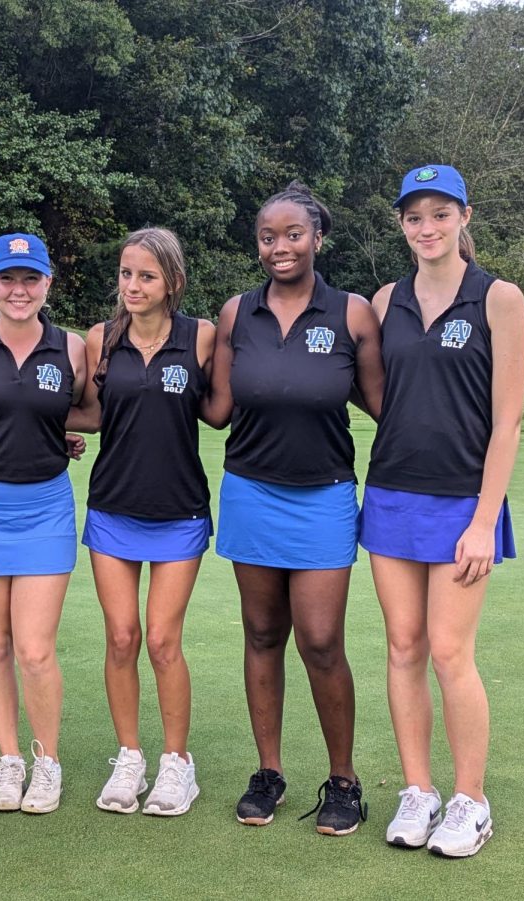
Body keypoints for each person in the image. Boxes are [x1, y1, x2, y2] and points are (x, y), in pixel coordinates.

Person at [202, 181, 385, 835]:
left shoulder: (352, 313)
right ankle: (268, 771)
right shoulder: (235, 314)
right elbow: (216, 410)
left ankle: (344, 781)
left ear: (318, 237)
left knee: (320, 639)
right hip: (251, 490)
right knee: (261, 634)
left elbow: (382, 405)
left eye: (292, 234)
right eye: (267, 236)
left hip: (325, 496)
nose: (279, 246)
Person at [360, 164, 524, 858]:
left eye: (439, 214)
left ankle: (471, 800)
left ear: (464, 215)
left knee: (452, 651)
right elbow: (372, 393)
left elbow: (509, 420)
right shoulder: (384, 299)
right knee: (403, 648)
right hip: (392, 492)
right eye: (413, 217)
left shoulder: (499, 298)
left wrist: (485, 518)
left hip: (463, 501)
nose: (426, 228)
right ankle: (419, 790)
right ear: (401, 224)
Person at [68, 228, 214, 817]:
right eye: (126, 274)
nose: (133, 286)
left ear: (172, 282)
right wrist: (51, 431)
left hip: (179, 510)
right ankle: (130, 756)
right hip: (112, 507)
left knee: (161, 640)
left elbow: (226, 407)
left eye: (146, 276)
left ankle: (177, 764)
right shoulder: (100, 339)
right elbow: (92, 414)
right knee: (122, 637)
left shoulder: (202, 337)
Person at [0, 233, 86, 814]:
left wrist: (59, 436)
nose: (19, 289)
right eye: (7, 278)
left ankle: (45, 761)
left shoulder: (73, 347)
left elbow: (92, 409)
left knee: (34, 648)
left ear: (48, 283)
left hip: (45, 507)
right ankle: (8, 761)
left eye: (30, 278)